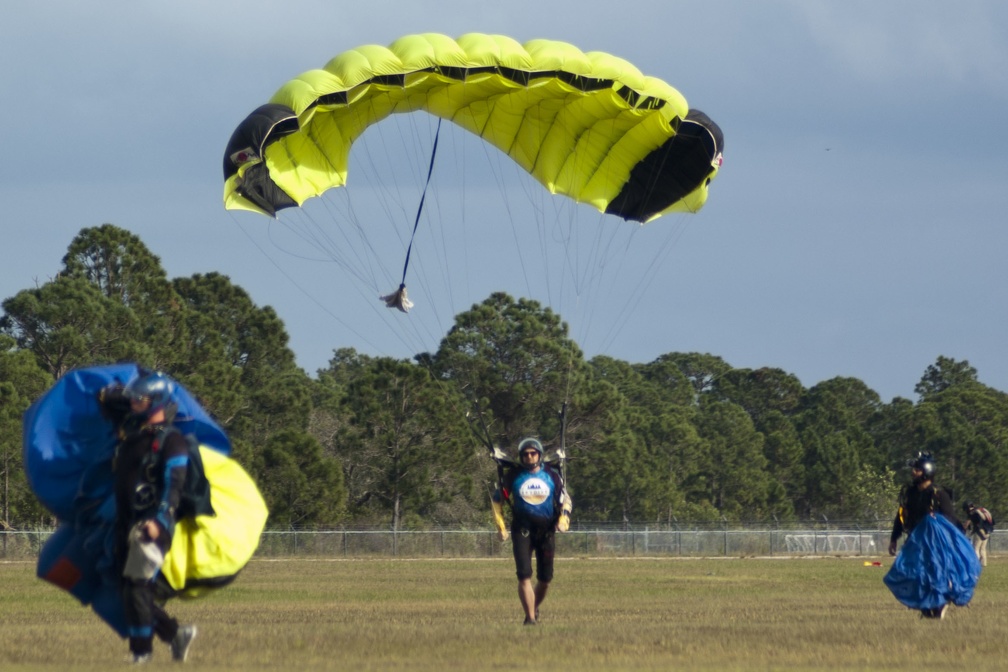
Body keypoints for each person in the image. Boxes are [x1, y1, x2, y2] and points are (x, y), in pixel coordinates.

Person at [98, 371, 201, 664]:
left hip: (152, 525)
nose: (133, 402)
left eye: (140, 398)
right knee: (127, 590)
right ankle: (175, 633)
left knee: (138, 587)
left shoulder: (173, 442)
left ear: (156, 402)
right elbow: (107, 398)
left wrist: (160, 520)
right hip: (126, 523)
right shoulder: (132, 429)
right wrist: (128, 388)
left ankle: (140, 654)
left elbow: (174, 487)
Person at [491, 437, 572, 625]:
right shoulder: (513, 476)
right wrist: (501, 526)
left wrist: (564, 519)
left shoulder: (551, 475)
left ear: (539, 455)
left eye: (533, 453)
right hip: (522, 530)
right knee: (524, 575)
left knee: (545, 580)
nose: (529, 457)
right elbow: (498, 501)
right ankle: (530, 619)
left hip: (546, 531)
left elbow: (565, 500)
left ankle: (533, 608)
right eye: (525, 454)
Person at [887, 451, 966, 619]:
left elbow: (951, 519)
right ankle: (926, 608)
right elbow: (901, 517)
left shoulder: (938, 494)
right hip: (915, 542)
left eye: (917, 469)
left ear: (926, 471)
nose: (913, 472)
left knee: (935, 576)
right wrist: (894, 538)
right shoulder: (911, 493)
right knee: (914, 575)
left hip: (935, 545)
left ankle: (938, 606)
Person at [963, 502, 995, 567]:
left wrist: (963, 529)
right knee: (983, 548)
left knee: (976, 548)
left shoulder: (972, 513)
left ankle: (976, 564)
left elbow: (967, 524)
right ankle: (984, 563)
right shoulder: (980, 510)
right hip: (988, 530)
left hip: (980, 532)